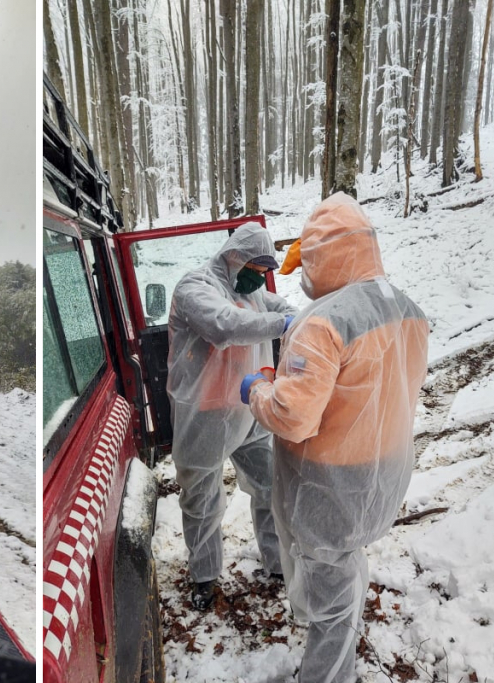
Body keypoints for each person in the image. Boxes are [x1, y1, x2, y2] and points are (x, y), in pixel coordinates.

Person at [241, 192, 429, 683]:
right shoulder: (406, 307)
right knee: (346, 566)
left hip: (328, 482)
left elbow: (293, 418)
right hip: (383, 468)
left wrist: (260, 389)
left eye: (307, 257)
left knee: (329, 605)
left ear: (323, 254)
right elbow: (373, 387)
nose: (302, 272)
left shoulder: (322, 321)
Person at [166, 221, 296, 610]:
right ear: (233, 256)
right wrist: (283, 324)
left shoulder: (253, 293)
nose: (259, 280)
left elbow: (282, 308)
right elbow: (223, 326)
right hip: (205, 414)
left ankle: (277, 564)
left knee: (270, 484)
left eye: (264, 273)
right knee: (202, 497)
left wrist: (301, 319)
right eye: (255, 270)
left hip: (249, 404)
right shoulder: (195, 288)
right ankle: (205, 578)